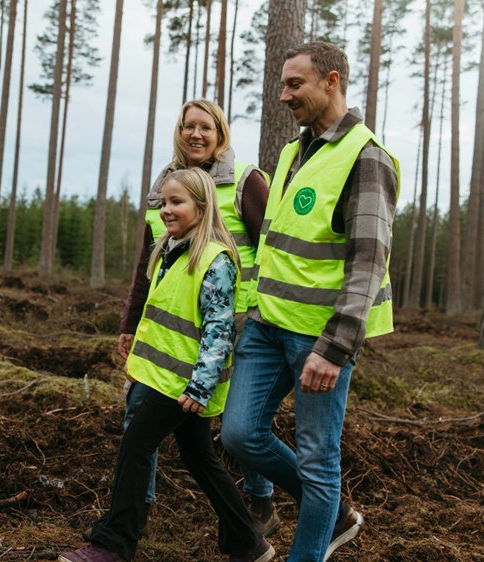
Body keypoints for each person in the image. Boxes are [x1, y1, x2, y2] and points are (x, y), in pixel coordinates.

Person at [220, 41, 400, 562]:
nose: (283, 96)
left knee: (319, 460)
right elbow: (276, 243)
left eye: (294, 84)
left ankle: (311, 546)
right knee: (239, 434)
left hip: (319, 337)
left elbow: (369, 262)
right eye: (281, 85)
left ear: (331, 81)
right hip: (266, 326)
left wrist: (336, 346)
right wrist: (252, 311)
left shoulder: (367, 159)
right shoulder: (291, 152)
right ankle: (334, 513)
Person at [59, 168, 274, 562]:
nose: (166, 211)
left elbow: (219, 329)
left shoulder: (215, 260)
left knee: (136, 447)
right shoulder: (170, 250)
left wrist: (201, 386)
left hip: (183, 384)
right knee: (199, 459)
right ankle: (249, 543)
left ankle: (114, 544)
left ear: (203, 206)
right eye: (164, 203)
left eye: (177, 203)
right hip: (164, 376)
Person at [116, 99, 282, 535]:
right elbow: (147, 263)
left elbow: (273, 244)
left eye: (205, 127)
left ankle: (260, 500)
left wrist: (270, 310)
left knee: (238, 422)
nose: (195, 134)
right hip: (174, 328)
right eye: (188, 126)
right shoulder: (164, 185)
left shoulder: (244, 181)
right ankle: (137, 508)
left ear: (220, 133)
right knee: (144, 414)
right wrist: (131, 323)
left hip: (242, 322)